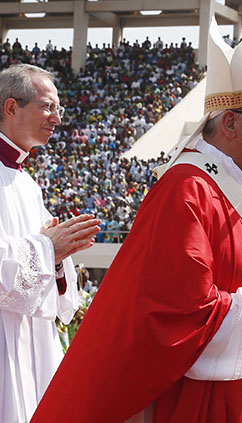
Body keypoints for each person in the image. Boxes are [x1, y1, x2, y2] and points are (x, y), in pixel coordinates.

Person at [33, 14, 242, 423]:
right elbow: (177, 309)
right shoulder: (187, 188)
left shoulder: (230, 191)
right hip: (204, 402)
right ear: (230, 122)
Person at [0, 64, 100, 422]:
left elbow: (44, 257)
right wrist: (47, 248)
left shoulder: (28, 183)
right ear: (11, 107)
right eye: (47, 107)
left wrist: (59, 256)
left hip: (32, 337)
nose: (57, 119)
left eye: (58, 109)